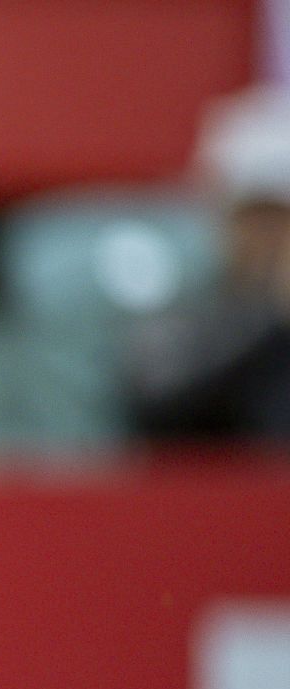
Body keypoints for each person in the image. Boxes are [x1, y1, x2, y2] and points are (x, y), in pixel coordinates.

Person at [128, 89, 290, 447]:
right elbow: (156, 405)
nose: (273, 239)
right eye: (259, 218)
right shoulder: (180, 300)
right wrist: (273, 318)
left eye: (283, 220)